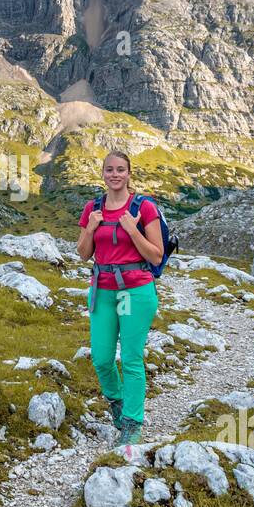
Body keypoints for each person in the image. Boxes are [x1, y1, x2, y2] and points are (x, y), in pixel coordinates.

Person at [76, 150, 162, 453]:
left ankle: (132, 423)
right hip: (102, 290)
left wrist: (132, 230)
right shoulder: (92, 208)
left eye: (121, 170)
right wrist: (90, 228)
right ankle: (118, 403)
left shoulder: (144, 208)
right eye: (109, 169)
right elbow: (84, 254)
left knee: (131, 357)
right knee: (101, 358)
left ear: (129, 174)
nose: (115, 174)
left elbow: (155, 255)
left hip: (135, 291)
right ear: (102, 173)